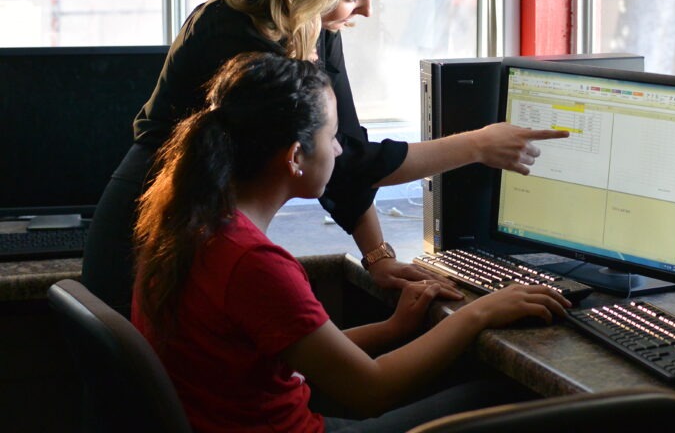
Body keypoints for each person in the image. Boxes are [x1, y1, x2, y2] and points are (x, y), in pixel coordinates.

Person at [83, 0, 567, 317]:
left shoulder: (311, 23)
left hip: (200, 228)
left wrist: (378, 256)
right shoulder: (232, 40)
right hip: (151, 231)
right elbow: (349, 162)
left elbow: (343, 145)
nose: (367, 10)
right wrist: (478, 145)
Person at [132, 52, 570, 433]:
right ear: (295, 156)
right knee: (500, 398)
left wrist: (393, 329)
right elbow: (370, 390)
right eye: (332, 138)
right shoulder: (253, 262)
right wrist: (480, 312)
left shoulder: (190, 224)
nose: (341, 152)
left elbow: (302, 354)